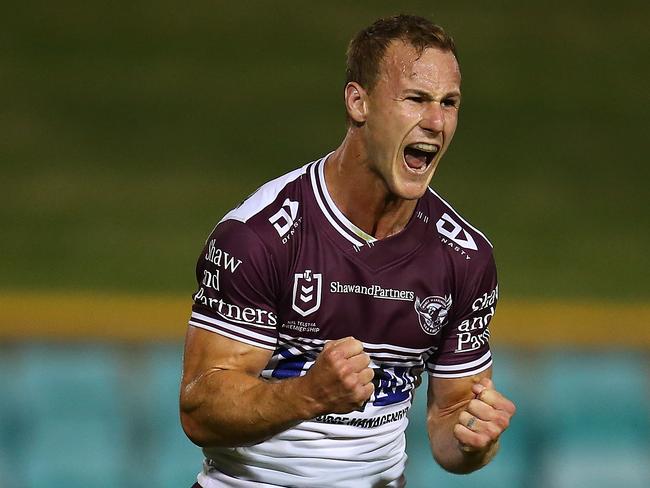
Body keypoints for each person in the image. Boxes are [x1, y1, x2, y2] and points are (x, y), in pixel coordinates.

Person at [180, 14, 516, 488]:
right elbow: (200, 411)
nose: (437, 122)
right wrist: (309, 394)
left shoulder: (464, 257)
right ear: (359, 103)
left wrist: (473, 441)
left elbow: (450, 418)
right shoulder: (259, 237)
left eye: (449, 103)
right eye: (416, 99)